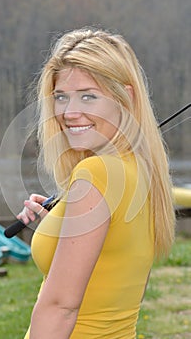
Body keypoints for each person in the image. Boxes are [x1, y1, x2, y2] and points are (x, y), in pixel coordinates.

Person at [17, 27, 175, 339]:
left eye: (88, 96)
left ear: (125, 97)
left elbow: (61, 307)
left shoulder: (97, 173)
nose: (69, 113)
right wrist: (58, 223)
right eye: (61, 97)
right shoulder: (141, 170)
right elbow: (118, 276)